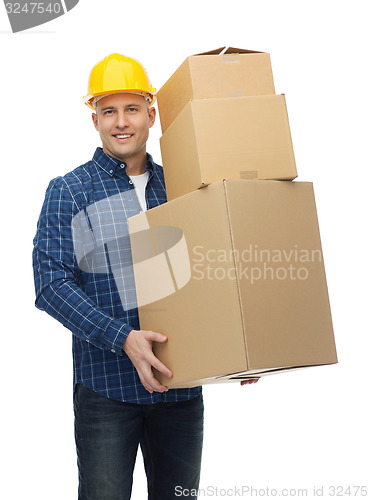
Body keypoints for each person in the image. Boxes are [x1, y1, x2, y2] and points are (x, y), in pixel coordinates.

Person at [32, 53, 204, 500]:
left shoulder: (183, 186)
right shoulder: (69, 190)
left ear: (151, 114)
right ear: (95, 120)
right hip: (106, 394)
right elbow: (51, 283)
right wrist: (122, 337)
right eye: (109, 111)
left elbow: (212, 275)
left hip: (180, 392)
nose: (121, 122)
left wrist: (239, 352)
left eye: (131, 109)